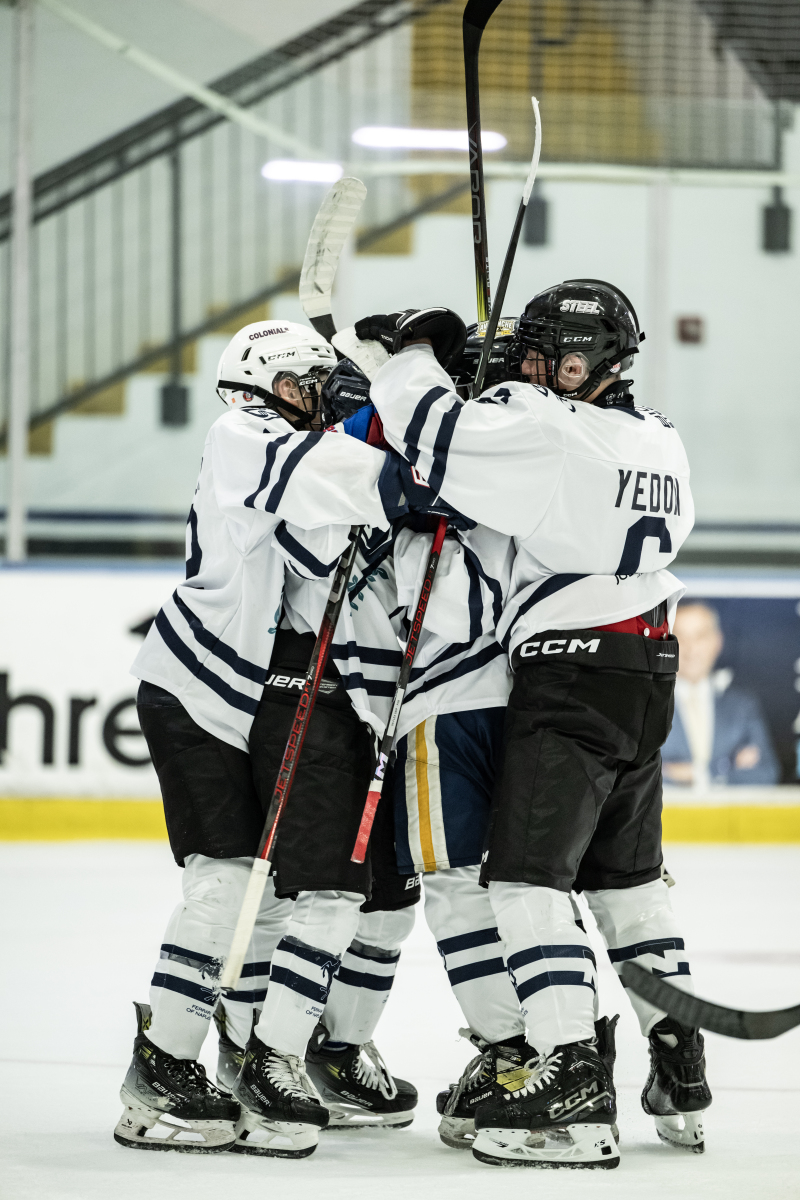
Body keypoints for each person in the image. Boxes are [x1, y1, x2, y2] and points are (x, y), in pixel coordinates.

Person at [350, 281, 712, 1168]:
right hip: (646, 669)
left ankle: (571, 1080)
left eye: (546, 353)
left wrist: (412, 356)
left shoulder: (546, 426)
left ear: (586, 362)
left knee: (523, 881)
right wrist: (499, 389)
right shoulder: (660, 437)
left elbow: (433, 437)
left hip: (571, 673)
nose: (532, 365)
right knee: (627, 882)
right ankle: (681, 1066)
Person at [116, 320, 417, 1159]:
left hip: (236, 696)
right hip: (196, 690)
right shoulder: (243, 432)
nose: (325, 399)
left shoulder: (285, 446)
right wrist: (392, 402)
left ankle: (234, 1052)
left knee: (260, 889)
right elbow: (387, 485)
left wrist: (372, 402)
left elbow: (330, 543)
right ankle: (160, 1067)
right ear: (280, 386)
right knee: (221, 882)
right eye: (316, 385)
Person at [663, 602, 779, 788]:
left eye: (700, 636)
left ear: (717, 641)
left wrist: (699, 774)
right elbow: (638, 776)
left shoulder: (742, 708)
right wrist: (729, 766)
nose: (691, 648)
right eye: (680, 638)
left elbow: (766, 774)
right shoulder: (646, 706)